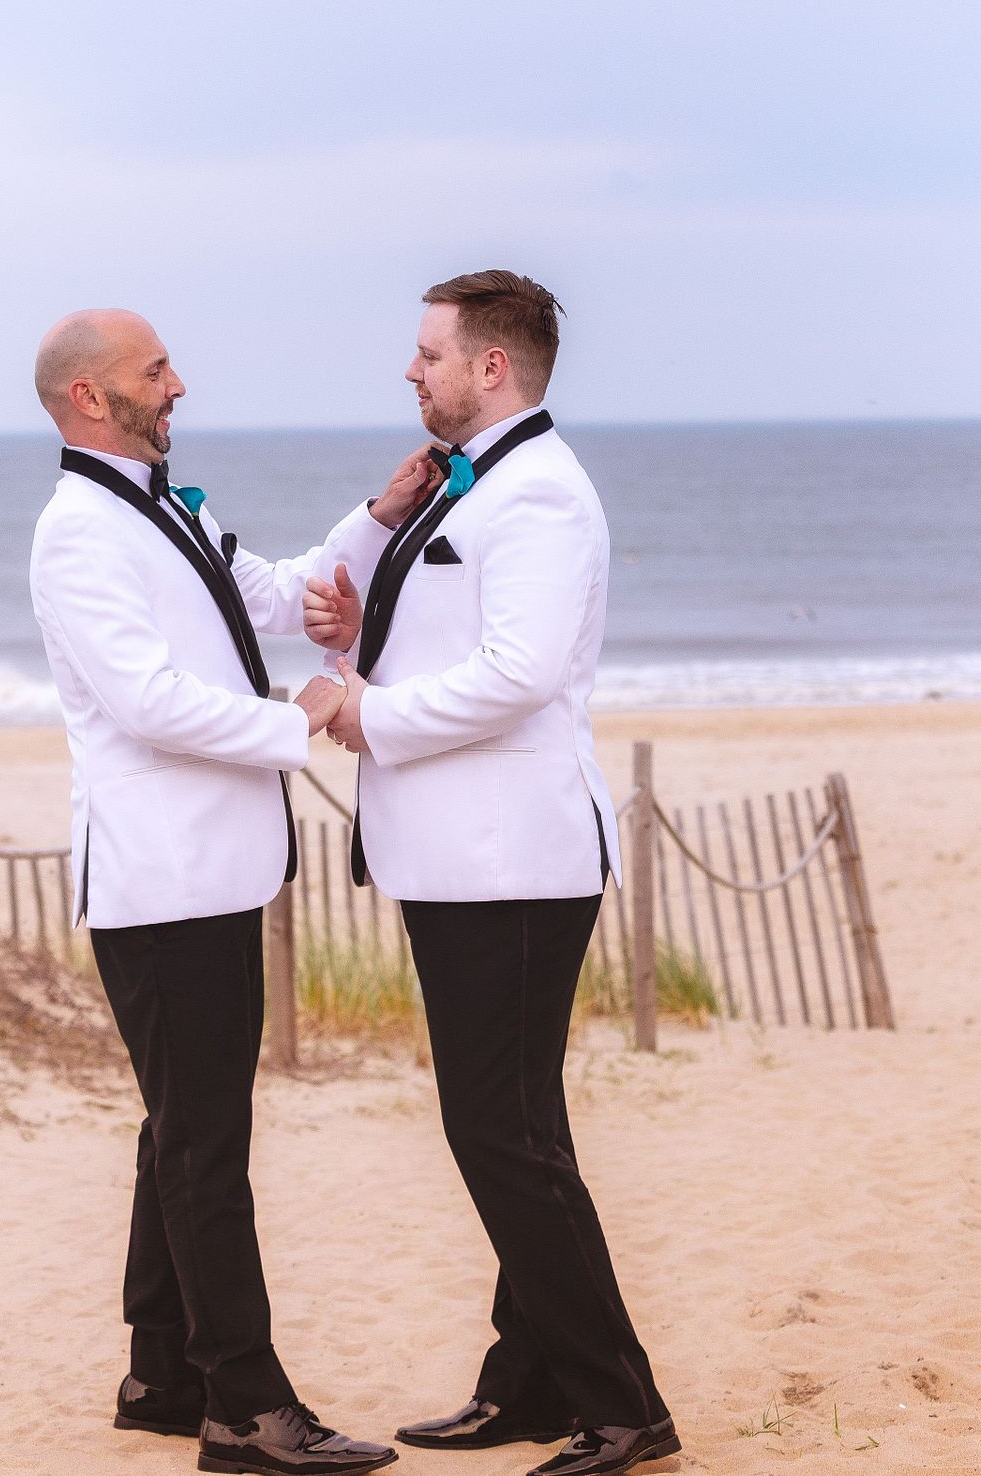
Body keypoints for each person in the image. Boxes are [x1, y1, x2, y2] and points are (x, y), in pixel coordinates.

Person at [30, 308, 438, 1475]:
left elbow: (280, 596)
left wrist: (377, 519)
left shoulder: (178, 507)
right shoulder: (75, 536)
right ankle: (245, 1413)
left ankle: (160, 1372)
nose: (179, 385)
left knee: (182, 1125)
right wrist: (293, 719)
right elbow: (149, 702)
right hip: (159, 882)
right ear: (91, 399)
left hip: (213, 871)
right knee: (208, 1140)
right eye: (156, 372)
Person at [306, 273, 680, 1476]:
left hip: (512, 861)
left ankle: (625, 1409)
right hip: (462, 858)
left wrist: (375, 714)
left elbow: (518, 673)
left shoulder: (542, 499)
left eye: (428, 355)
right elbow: (439, 633)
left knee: (499, 1134)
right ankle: (522, 1383)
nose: (410, 372)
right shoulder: (472, 480)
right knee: (520, 1128)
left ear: (492, 369)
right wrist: (360, 635)